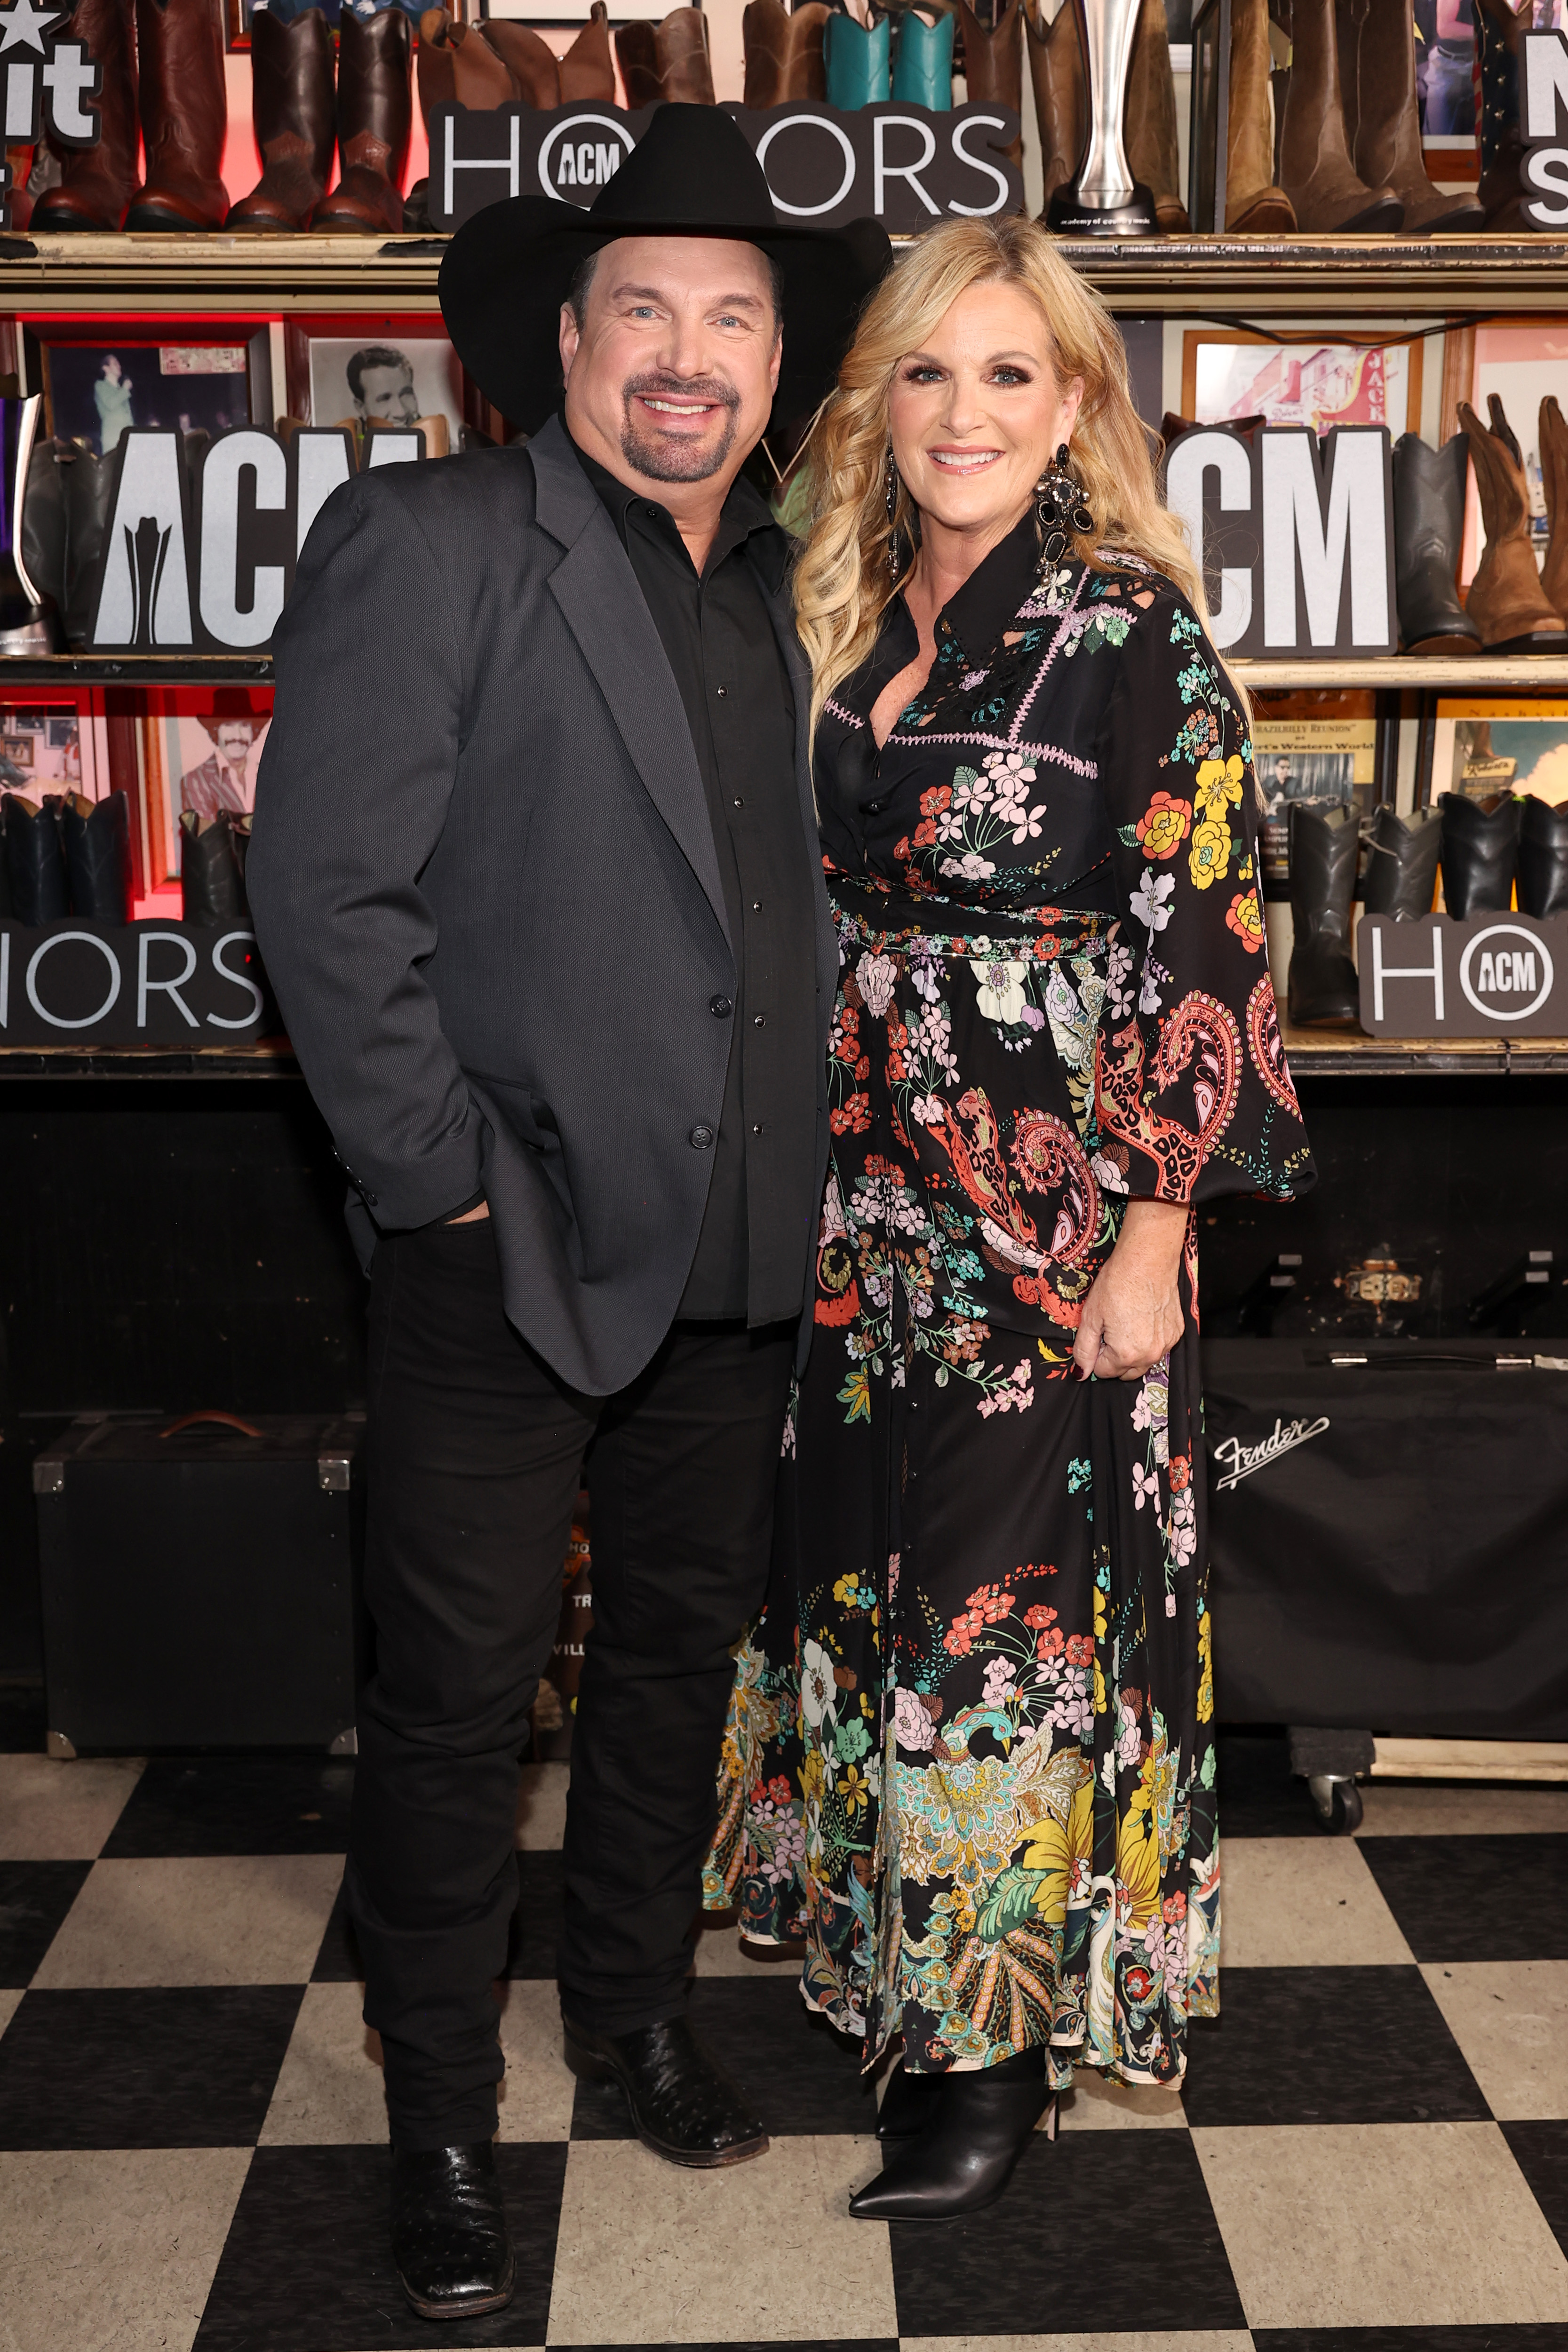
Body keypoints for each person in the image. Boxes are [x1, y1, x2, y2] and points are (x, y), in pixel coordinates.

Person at [246, 105, 888, 2324]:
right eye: (644, 312)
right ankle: (439, 2112)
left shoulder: (802, 588)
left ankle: (626, 2018)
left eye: (733, 317)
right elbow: (325, 900)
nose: (686, 357)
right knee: (450, 1705)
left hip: (746, 1261)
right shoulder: (428, 541)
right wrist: (436, 1190)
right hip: (496, 1258)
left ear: (777, 365)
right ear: (566, 340)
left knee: (679, 1673)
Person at [708, 215, 1316, 2223]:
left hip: (1047, 1227)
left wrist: (1152, 1233)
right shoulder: (845, 602)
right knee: (865, 1588)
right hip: (858, 1205)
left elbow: (1209, 934)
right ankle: (892, 1967)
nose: (962, 412)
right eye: (924, 371)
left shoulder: (1130, 629)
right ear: (874, 401)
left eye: (1006, 373)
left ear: (1071, 405)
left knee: (999, 1636)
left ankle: (981, 2052)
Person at [179, 691, 263, 820]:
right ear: (216, 731)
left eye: (245, 726)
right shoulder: (197, 780)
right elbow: (208, 837)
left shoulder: (272, 774)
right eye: (228, 726)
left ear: (254, 731)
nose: (238, 736)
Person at [347, 343, 421, 427]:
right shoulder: (348, 439)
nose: (401, 413)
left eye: (406, 394)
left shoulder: (435, 436)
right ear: (361, 408)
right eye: (384, 399)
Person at [94, 354, 134, 454]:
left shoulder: (120, 390)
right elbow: (111, 404)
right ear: (106, 368)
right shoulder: (101, 386)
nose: (119, 366)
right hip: (113, 439)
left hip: (129, 438)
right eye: (115, 364)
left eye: (119, 364)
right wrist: (125, 389)